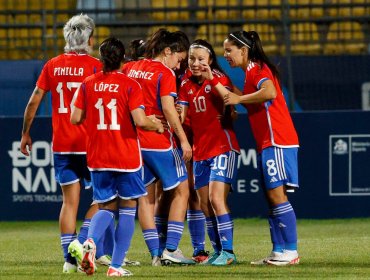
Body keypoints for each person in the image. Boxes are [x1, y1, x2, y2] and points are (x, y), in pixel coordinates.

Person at [70, 37, 164, 277]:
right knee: (128, 209)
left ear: (102, 59)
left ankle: (89, 243)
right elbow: (141, 121)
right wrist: (156, 125)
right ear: (123, 59)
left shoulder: (87, 83)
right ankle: (116, 266)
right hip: (125, 155)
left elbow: (75, 118)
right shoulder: (130, 84)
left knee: (105, 207)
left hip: (99, 155)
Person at [20, 14, 102, 273]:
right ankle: (84, 246)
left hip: (63, 145)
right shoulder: (95, 66)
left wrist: (25, 133)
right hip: (91, 144)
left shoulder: (52, 65)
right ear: (89, 39)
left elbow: (34, 100)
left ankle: (69, 259)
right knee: (104, 198)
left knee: (69, 203)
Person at [220, 30, 300, 266]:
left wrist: (239, 100)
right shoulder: (249, 73)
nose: (226, 55)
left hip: (277, 139)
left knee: (277, 195)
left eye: (229, 50)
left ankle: (291, 251)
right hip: (268, 142)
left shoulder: (257, 67)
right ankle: (278, 251)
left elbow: (270, 92)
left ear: (243, 50)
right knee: (270, 196)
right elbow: (246, 95)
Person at [125, 28, 194, 266]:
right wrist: (183, 139)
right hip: (158, 140)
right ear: (167, 51)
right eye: (179, 58)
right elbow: (166, 109)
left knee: (144, 198)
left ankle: (155, 253)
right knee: (182, 190)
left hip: (133, 143)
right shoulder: (164, 73)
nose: (178, 65)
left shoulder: (130, 67)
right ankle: (172, 250)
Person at [177, 39, 240, 266]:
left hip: (222, 146)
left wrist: (211, 78)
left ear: (211, 60)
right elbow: (183, 115)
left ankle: (229, 252)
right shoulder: (185, 84)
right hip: (200, 151)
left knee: (215, 199)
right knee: (204, 204)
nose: (195, 63)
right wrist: (173, 115)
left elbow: (229, 100)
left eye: (201, 59)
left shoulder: (219, 78)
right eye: (192, 59)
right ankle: (217, 251)